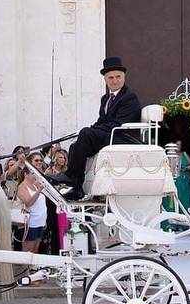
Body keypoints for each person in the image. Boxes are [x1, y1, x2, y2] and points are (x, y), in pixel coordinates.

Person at [60, 57, 141, 199]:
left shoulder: (129, 97)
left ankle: (71, 177)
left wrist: (90, 132)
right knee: (75, 145)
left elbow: (118, 124)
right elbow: (102, 121)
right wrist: (91, 130)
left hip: (121, 137)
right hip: (109, 134)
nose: (115, 81)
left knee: (86, 134)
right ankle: (77, 188)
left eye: (118, 77)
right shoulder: (105, 98)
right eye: (111, 78)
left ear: (124, 76)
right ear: (105, 79)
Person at [16, 153, 48, 255]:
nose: (34, 175)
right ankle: (26, 270)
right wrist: (39, 190)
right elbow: (29, 202)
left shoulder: (35, 185)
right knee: (28, 251)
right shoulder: (22, 187)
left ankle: (32, 269)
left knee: (35, 250)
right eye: (31, 173)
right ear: (26, 174)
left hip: (40, 222)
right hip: (30, 223)